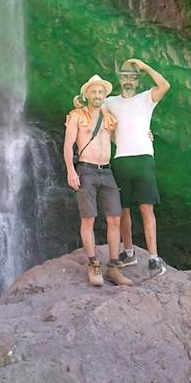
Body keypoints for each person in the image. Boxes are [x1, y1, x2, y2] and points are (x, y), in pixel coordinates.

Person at [104, 58, 170, 276]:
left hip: (143, 158)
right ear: (119, 79)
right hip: (121, 158)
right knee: (123, 209)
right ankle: (129, 252)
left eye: (132, 76)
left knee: (146, 207)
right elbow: (90, 108)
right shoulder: (110, 102)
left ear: (138, 80)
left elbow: (165, 85)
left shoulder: (146, 98)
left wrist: (144, 66)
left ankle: (153, 257)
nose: (128, 80)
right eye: (124, 76)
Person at [63, 75, 131, 288]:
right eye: (93, 91)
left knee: (114, 218)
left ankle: (113, 267)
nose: (97, 95)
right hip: (86, 170)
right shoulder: (76, 116)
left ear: (104, 95)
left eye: (101, 92)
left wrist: (144, 135)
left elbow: (121, 139)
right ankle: (93, 264)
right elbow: (67, 146)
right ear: (86, 94)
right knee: (88, 219)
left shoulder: (108, 117)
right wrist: (71, 171)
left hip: (107, 172)